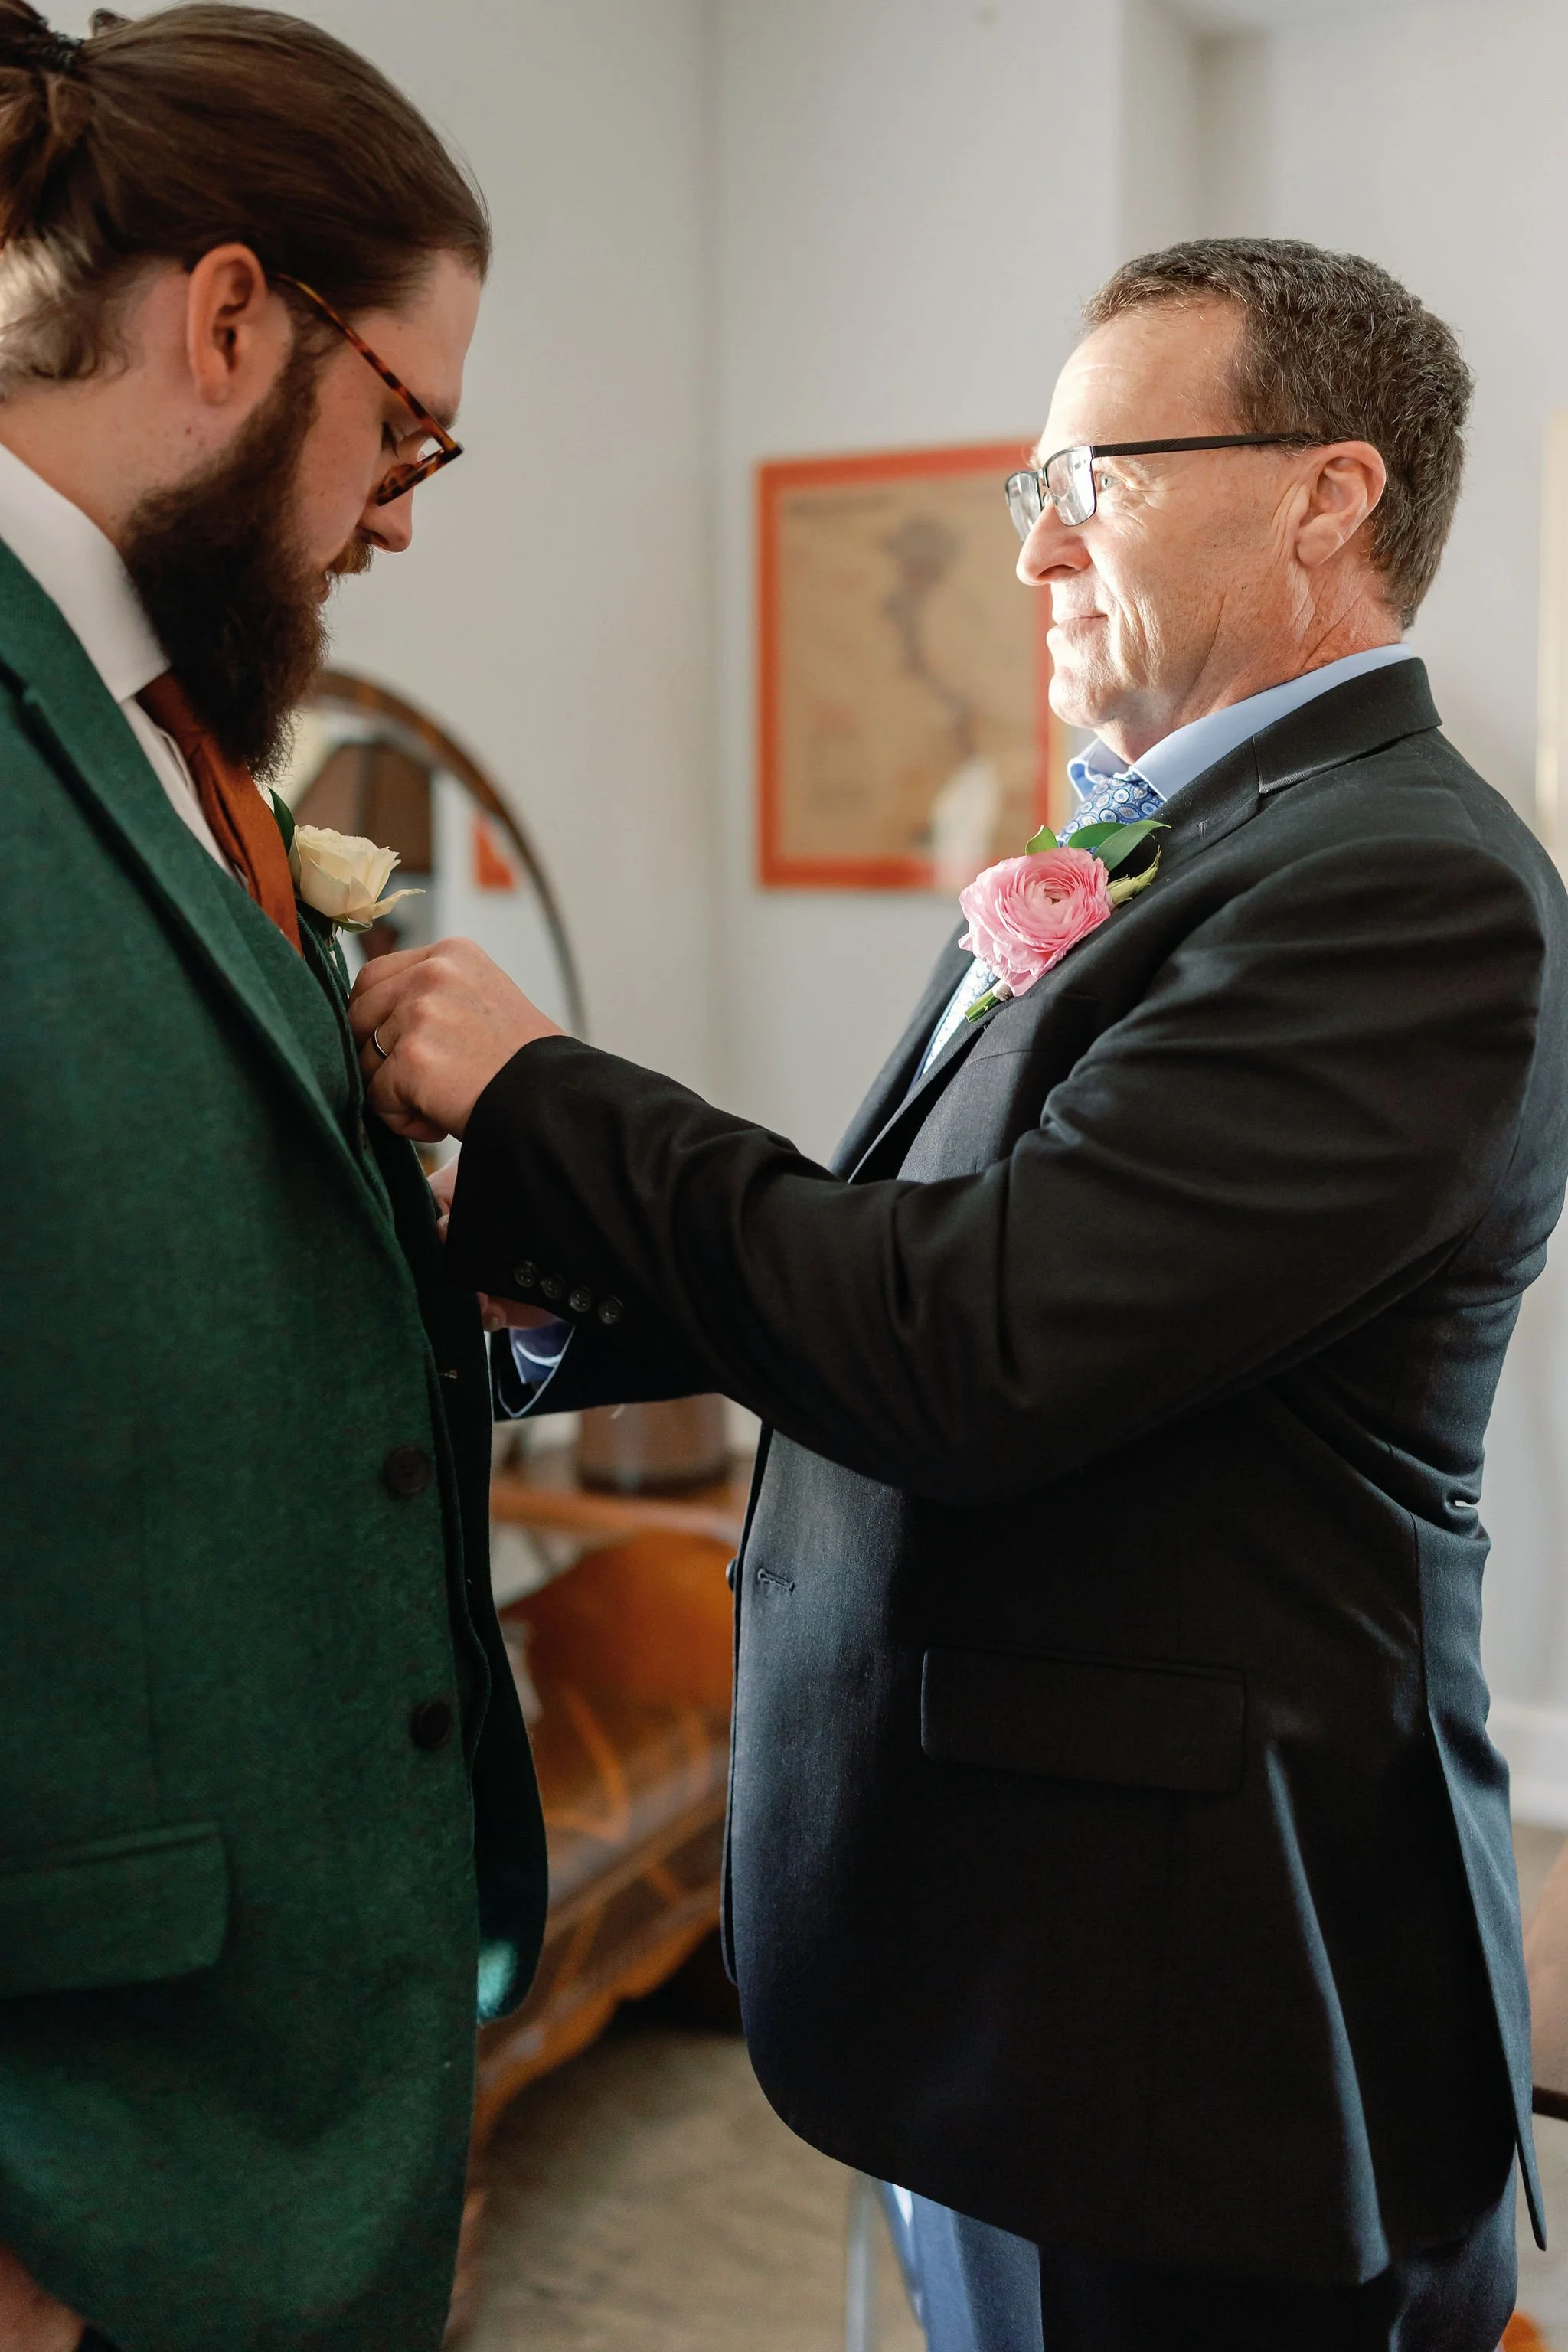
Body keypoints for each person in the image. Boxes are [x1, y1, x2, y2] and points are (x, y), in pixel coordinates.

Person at [353, 238, 1568, 2352]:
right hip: (1035, 1955)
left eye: (1091, 480)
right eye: (1031, 490)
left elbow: (972, 1345)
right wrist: (528, 1298)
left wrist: (546, 1093)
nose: (1035, 553)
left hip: (1193, 2003)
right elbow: (902, 1244)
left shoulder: (1409, 885)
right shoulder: (1190, 838)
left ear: (1329, 496)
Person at [0, 8, 545, 2349]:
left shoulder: (176, 733)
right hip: (79, 2126)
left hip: (292, 2073)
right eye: (404, 423)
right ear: (232, 318)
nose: (403, 511)